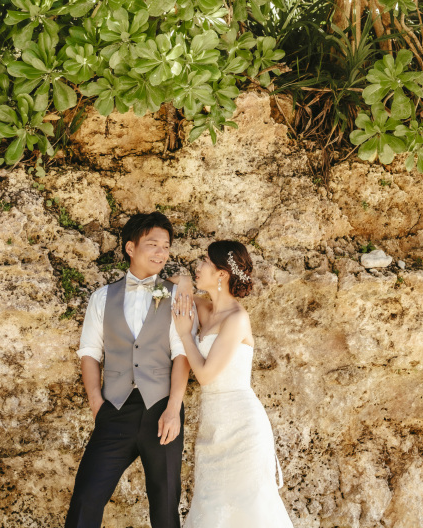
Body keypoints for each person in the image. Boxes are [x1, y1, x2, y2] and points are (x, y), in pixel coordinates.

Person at [65, 210, 190, 528]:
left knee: (165, 504)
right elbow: (90, 354)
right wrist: (96, 402)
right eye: (152, 244)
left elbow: (182, 354)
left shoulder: (176, 297)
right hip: (114, 410)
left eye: (166, 245)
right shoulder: (101, 298)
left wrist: (173, 408)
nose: (161, 252)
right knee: (86, 499)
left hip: (161, 410)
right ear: (130, 248)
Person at [172, 240, 294, 528]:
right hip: (213, 425)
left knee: (248, 508)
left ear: (222, 275)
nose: (197, 266)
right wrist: (188, 279)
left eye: (204, 262)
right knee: (211, 505)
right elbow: (174, 287)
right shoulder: (205, 309)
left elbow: (204, 375)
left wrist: (185, 336)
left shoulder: (237, 318)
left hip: (242, 428)